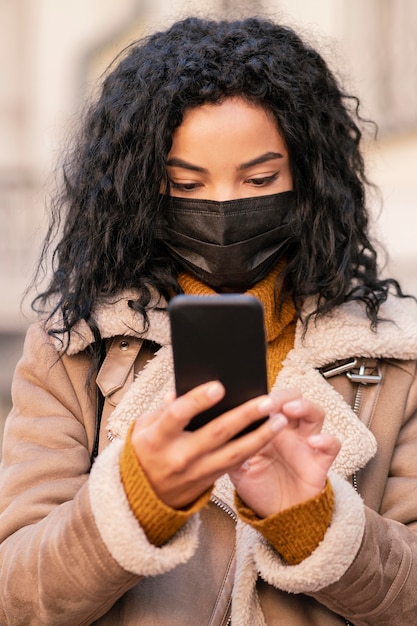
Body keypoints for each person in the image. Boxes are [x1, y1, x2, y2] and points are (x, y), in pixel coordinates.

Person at [1, 15, 417, 626]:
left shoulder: (397, 362)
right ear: (143, 191)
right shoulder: (75, 352)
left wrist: (313, 521)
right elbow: (17, 596)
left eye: (259, 178)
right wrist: (140, 497)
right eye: (187, 184)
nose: (223, 207)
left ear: (309, 179)